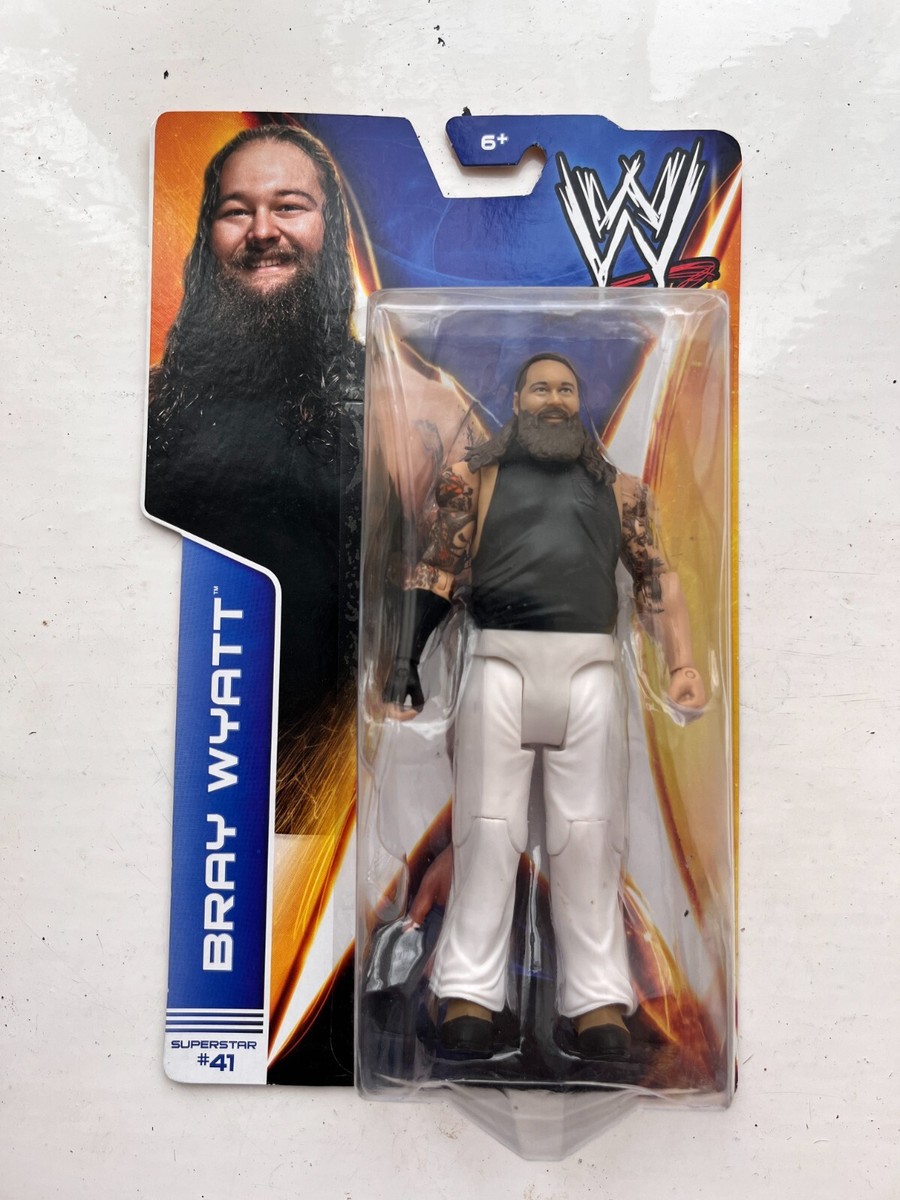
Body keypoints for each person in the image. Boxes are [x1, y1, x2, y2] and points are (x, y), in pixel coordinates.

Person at [385, 353, 706, 1060]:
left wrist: (681, 662)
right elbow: (436, 571)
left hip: (590, 671)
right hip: (499, 663)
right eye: (540, 388)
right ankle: (467, 995)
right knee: (486, 831)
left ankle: (598, 1004)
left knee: (589, 836)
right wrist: (405, 661)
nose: (554, 399)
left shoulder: (621, 491)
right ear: (517, 401)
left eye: (566, 388)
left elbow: (655, 579)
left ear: (580, 402)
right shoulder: (472, 480)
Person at [145, 124, 364, 732]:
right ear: (207, 236)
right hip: (173, 724)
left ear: (331, 227)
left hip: (340, 749)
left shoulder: (403, 400)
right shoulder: (151, 405)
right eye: (236, 211)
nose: (263, 231)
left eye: (289, 206)